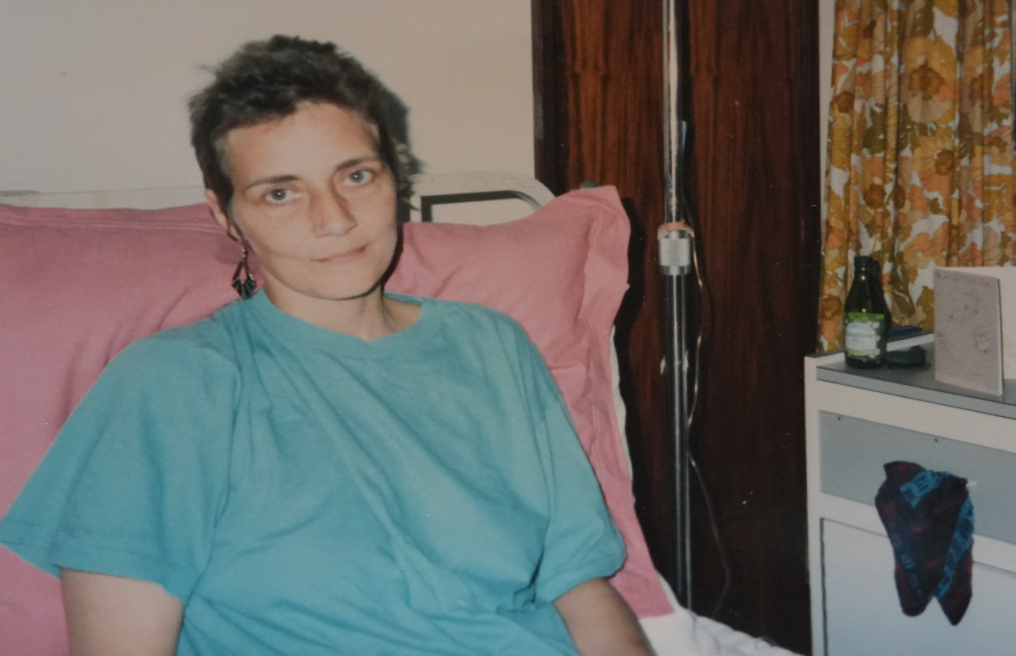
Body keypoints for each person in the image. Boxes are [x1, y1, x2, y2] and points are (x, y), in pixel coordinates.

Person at [0, 36, 653, 656]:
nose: (333, 219)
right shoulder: (172, 384)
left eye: (356, 176)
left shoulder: (491, 345)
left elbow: (579, 588)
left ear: (394, 175)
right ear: (226, 214)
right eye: (280, 193)